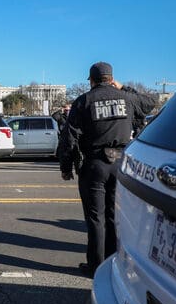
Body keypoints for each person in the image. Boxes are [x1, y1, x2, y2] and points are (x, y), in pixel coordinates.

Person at [58, 62, 157, 276]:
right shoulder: (127, 99)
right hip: (121, 163)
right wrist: (124, 89)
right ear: (111, 79)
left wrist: (66, 167)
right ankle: (112, 262)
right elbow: (151, 103)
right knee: (114, 215)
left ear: (92, 80)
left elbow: (69, 137)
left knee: (96, 218)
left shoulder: (84, 101)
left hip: (94, 164)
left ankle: (96, 265)